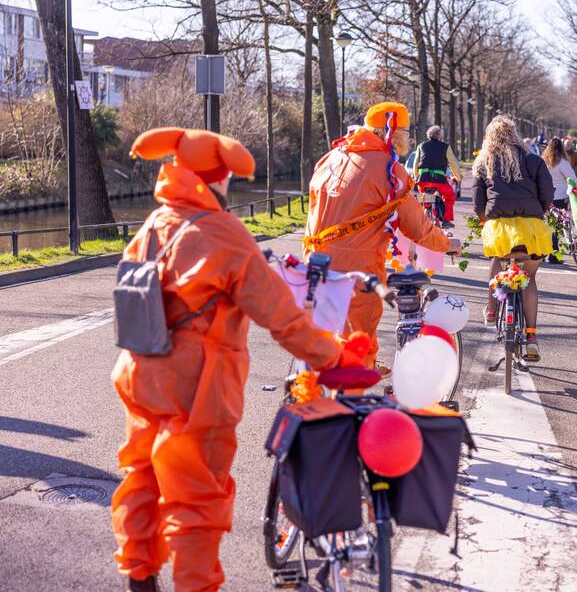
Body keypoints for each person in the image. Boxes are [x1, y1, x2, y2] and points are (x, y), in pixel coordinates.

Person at [112, 128, 350, 592]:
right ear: (218, 178)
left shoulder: (154, 224)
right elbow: (283, 317)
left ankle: (139, 575)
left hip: (139, 372)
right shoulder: (223, 233)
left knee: (141, 476)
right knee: (197, 499)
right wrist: (332, 357)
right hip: (197, 386)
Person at [305, 102, 458, 369]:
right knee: (357, 345)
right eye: (407, 131)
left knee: (324, 335)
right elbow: (418, 228)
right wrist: (447, 244)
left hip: (314, 262)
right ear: (393, 132)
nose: (409, 138)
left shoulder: (331, 157)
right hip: (357, 270)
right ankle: (348, 397)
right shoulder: (389, 172)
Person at [473, 115, 554, 364]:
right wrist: (538, 210)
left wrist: (483, 217)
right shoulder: (533, 160)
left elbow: (478, 200)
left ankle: (492, 310)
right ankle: (531, 338)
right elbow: (547, 192)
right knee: (528, 278)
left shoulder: (484, 161)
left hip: (500, 227)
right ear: (515, 134)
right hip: (532, 228)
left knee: (498, 259)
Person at [410, 124, 460, 228]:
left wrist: (416, 177)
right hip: (440, 181)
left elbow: (415, 164)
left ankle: (420, 216)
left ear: (428, 136)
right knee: (450, 196)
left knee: (422, 198)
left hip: (423, 180)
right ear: (439, 136)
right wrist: (457, 177)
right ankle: (446, 220)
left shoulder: (421, 146)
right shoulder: (445, 147)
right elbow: (453, 164)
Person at [542, 137, 577, 264]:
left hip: (545, 197)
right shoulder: (562, 162)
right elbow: (572, 178)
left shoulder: (543, 161)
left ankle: (540, 252)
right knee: (556, 228)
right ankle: (553, 254)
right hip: (559, 197)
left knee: (545, 225)